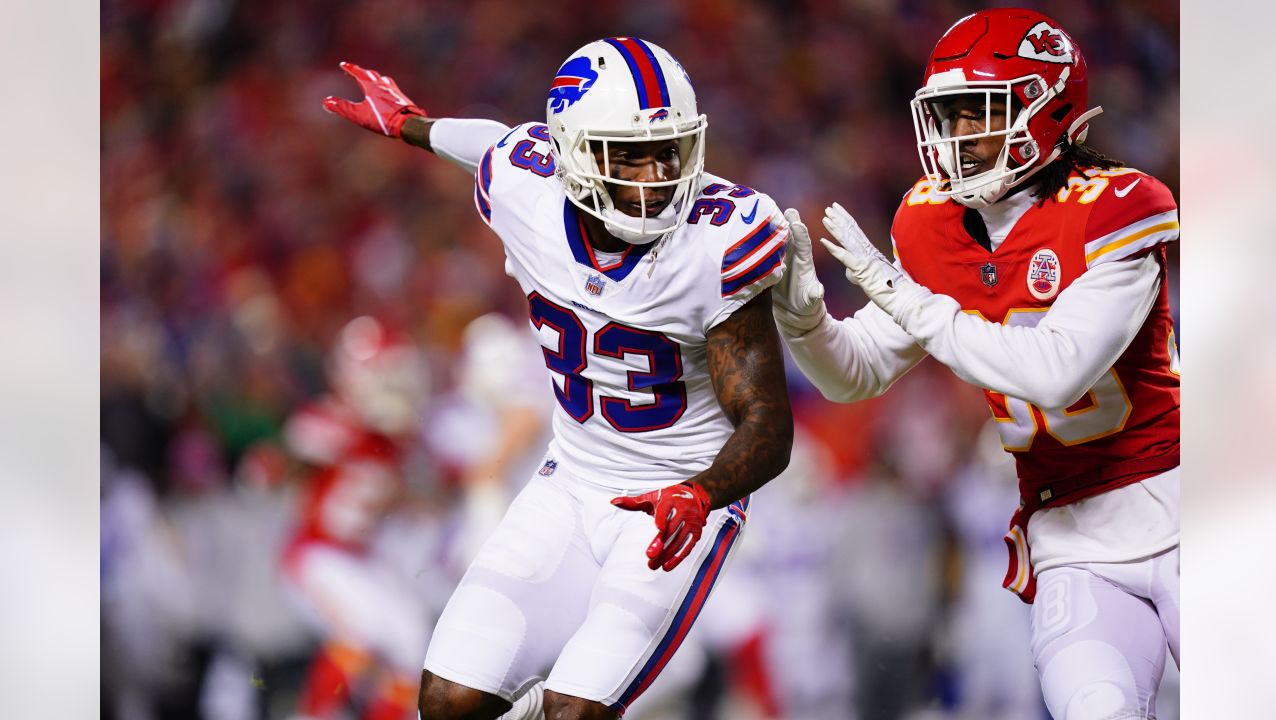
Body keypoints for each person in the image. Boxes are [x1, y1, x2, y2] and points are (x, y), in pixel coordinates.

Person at [323, 37, 793, 720]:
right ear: (571, 153)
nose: (657, 174)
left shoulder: (720, 241)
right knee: (447, 701)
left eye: (670, 150)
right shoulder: (529, 191)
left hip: (679, 505)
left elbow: (768, 426)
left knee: (575, 712)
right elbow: (497, 143)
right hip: (570, 484)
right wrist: (410, 125)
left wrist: (700, 493)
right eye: (627, 153)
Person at [771, 9, 1179, 719]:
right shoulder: (931, 224)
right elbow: (855, 373)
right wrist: (803, 320)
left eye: (979, 114)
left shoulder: (1116, 205)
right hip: (1072, 540)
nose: (958, 138)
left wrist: (910, 301)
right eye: (948, 116)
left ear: (1049, 110)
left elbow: (1058, 371)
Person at [279, 316, 434, 720]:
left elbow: (414, 494)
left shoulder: (397, 436)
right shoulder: (333, 420)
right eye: (387, 376)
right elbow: (292, 454)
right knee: (361, 632)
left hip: (362, 557)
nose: (396, 387)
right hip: (317, 552)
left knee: (412, 641)